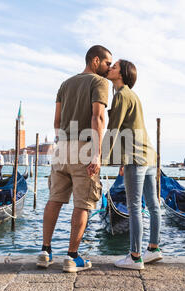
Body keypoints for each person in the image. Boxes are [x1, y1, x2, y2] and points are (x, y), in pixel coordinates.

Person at [37, 45, 111, 272]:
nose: (109, 68)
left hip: (61, 148)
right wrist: (97, 153)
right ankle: (72, 257)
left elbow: (57, 120)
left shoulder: (65, 84)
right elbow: (97, 117)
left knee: (55, 199)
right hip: (84, 147)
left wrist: (61, 144)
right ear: (95, 60)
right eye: (108, 63)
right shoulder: (100, 83)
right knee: (83, 203)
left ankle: (45, 251)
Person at [102, 59, 162, 270]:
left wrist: (99, 160)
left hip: (135, 157)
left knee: (135, 206)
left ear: (122, 74)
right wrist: (120, 160)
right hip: (149, 156)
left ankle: (135, 257)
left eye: (115, 67)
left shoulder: (121, 96)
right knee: (153, 204)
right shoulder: (132, 95)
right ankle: (153, 249)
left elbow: (113, 130)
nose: (110, 68)